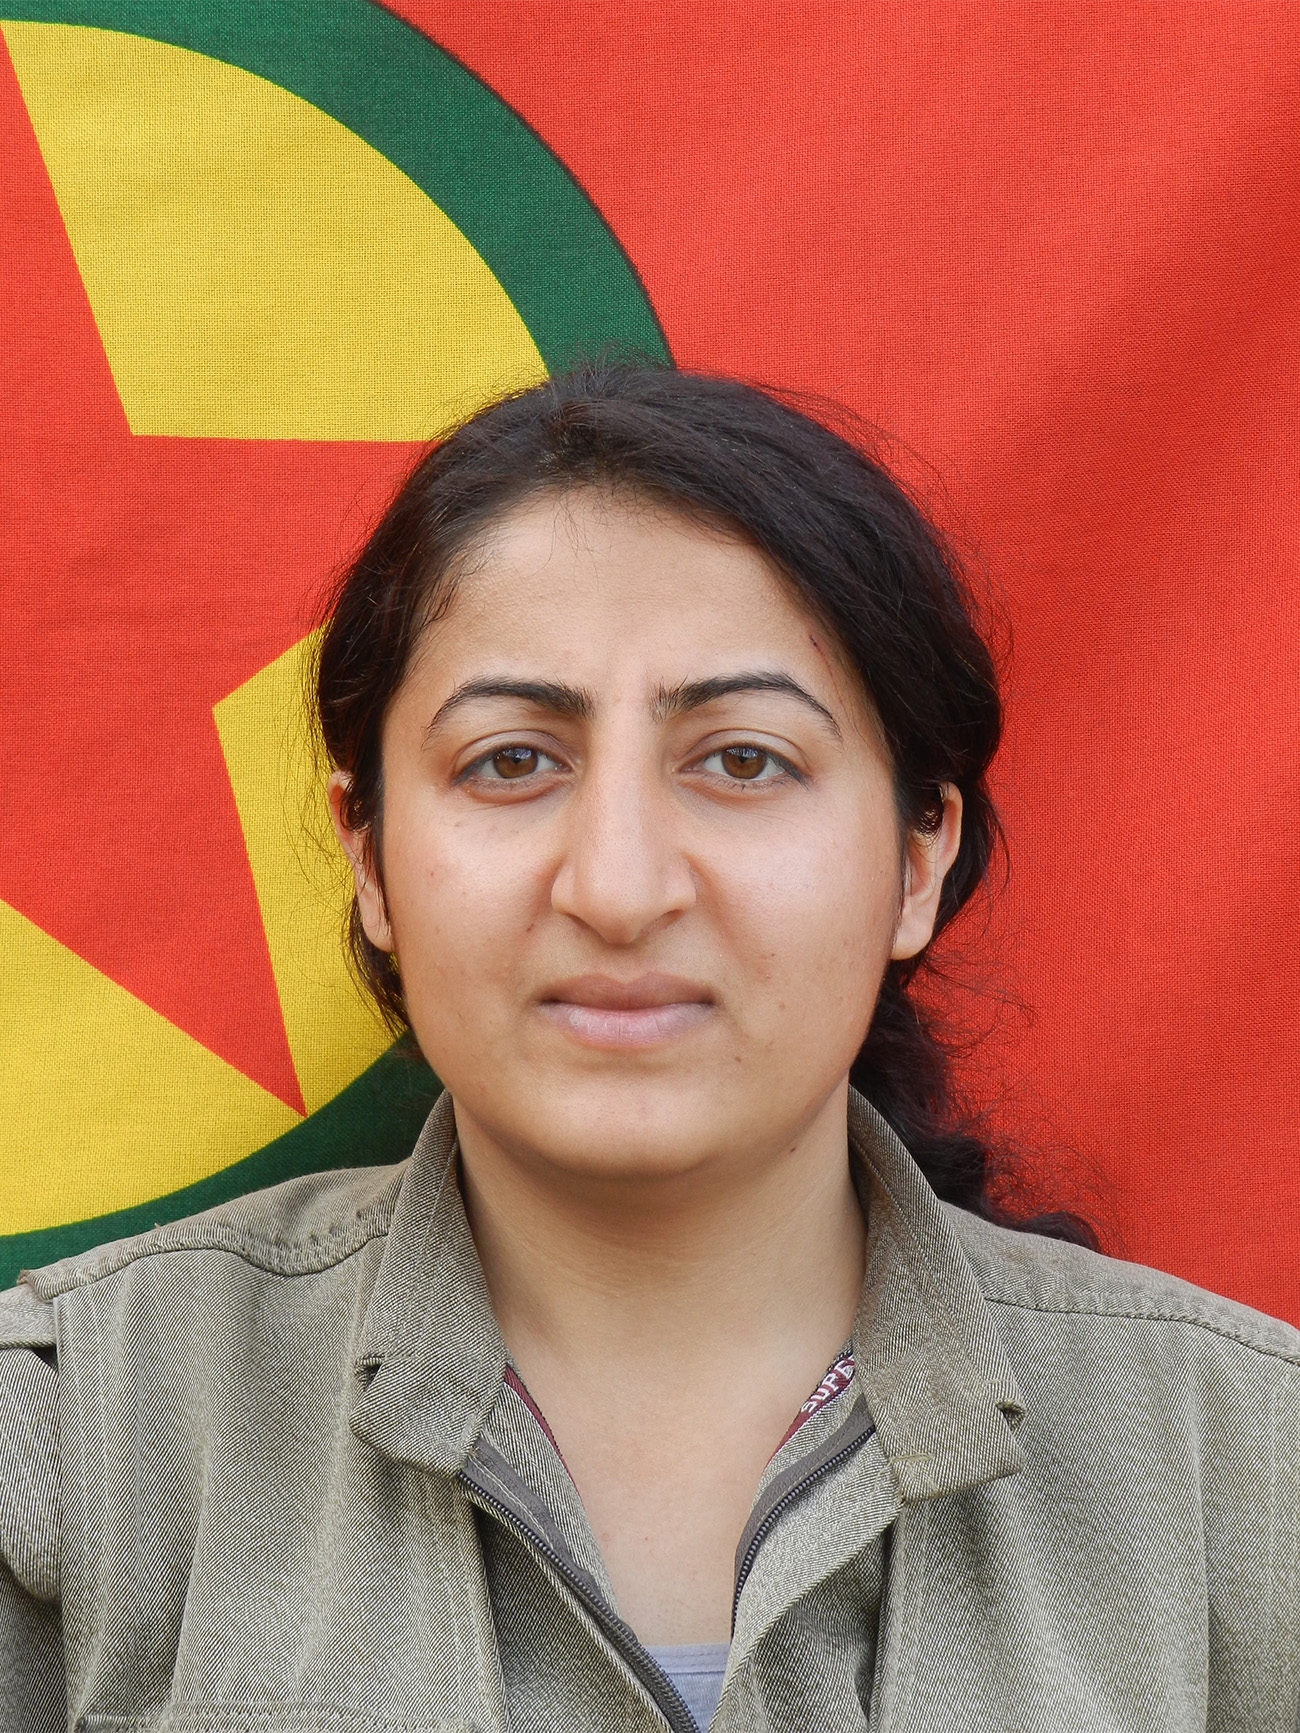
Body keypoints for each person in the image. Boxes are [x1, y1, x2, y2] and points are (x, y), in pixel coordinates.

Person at [0, 365, 1296, 1733]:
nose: (618, 888)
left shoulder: (1244, 1478)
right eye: (511, 761)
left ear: (920, 858)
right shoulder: (77, 1448)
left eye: (743, 761)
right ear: (368, 855)